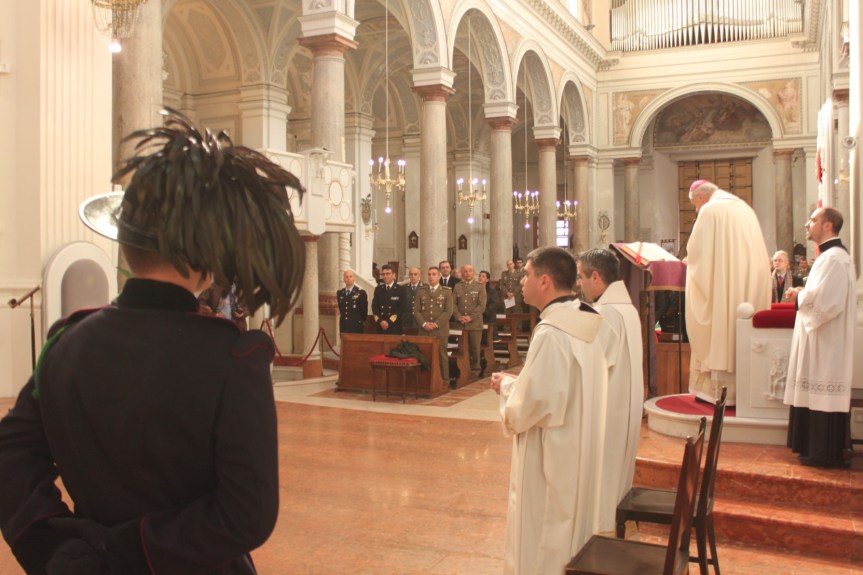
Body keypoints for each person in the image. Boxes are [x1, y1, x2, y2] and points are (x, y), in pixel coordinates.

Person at [0, 109, 306, 574]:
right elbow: (248, 514)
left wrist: (56, 549)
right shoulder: (232, 360)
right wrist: (128, 551)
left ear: (124, 245)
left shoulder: (65, 342)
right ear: (207, 261)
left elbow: (10, 456)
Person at [490, 247, 608, 575]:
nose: (521, 282)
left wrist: (508, 387)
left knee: (545, 533)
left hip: (552, 456)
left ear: (544, 281)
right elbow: (557, 387)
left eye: (527, 275)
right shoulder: (583, 320)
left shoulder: (552, 332)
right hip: (576, 445)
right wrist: (520, 382)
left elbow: (531, 406)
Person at [576, 248, 644, 534]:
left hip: (610, 409)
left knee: (604, 476)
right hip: (625, 405)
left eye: (581, 276)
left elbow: (594, 365)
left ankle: (602, 531)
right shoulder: (627, 309)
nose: (578, 283)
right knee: (617, 474)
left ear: (595, 276)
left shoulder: (606, 313)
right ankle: (615, 524)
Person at [685, 179, 770, 405]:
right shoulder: (745, 209)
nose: (696, 209)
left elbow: (697, 256)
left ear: (700, 197)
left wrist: (688, 264)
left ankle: (716, 392)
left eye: (695, 204)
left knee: (720, 329)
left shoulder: (709, 211)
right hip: (747, 286)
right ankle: (744, 391)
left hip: (722, 288)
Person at [783, 207, 856, 468]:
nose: (807, 224)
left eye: (813, 220)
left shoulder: (834, 258)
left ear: (828, 225)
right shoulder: (829, 256)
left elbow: (828, 302)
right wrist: (804, 292)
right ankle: (814, 449)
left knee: (822, 391)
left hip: (827, 343)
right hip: (822, 339)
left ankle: (824, 453)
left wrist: (800, 296)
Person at [413, 266, 453, 385]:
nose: (431, 277)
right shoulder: (421, 291)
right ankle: (424, 381)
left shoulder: (446, 291)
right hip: (424, 330)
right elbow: (416, 310)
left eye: (434, 274)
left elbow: (448, 311)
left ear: (439, 276)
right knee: (423, 356)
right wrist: (424, 324)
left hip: (440, 330)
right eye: (429, 274)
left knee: (441, 356)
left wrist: (435, 324)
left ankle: (444, 380)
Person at [453, 264, 487, 379]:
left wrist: (470, 317)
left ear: (474, 272)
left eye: (470, 271)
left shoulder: (480, 286)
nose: (467, 273)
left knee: (475, 348)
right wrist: (458, 316)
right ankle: (463, 368)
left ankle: (475, 370)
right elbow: (453, 304)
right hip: (461, 323)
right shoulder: (457, 286)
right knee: (462, 348)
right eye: (465, 271)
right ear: (462, 273)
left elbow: (481, 305)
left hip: (474, 323)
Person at [372, 264, 407, 334]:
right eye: (383, 274)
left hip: (395, 327)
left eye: (388, 274)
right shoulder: (378, 289)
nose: (385, 276)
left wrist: (389, 322)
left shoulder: (400, 289)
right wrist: (381, 321)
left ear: (394, 275)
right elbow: (374, 307)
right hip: (381, 327)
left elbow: (401, 309)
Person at [337, 270, 368, 334]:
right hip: (344, 325)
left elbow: (364, 310)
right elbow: (341, 308)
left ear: (354, 278)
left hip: (356, 325)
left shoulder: (360, 292)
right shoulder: (340, 293)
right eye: (346, 277)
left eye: (350, 276)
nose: (348, 278)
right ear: (344, 279)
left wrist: (362, 321)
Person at [478, 270, 502, 344]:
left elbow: (493, 305)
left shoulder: (492, 291)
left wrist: (481, 309)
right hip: (477, 319)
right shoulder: (476, 289)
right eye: (479, 276)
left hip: (488, 319)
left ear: (487, 279)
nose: (480, 278)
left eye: (483, 276)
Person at [401, 266, 424, 333]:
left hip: (420, 321)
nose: (413, 276)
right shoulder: (403, 288)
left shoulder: (425, 287)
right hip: (406, 321)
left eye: (415, 274)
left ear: (419, 275)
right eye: (411, 274)